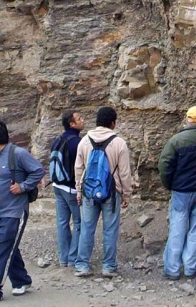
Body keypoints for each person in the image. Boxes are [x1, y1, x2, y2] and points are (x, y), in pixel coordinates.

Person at [0, 120, 44, 304]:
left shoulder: (17, 153)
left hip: (14, 211)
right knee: (7, 248)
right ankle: (21, 280)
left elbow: (38, 170)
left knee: (3, 249)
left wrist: (23, 186)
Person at [73, 106, 132, 278]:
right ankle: (108, 266)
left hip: (89, 191)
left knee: (87, 228)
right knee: (110, 229)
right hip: (112, 193)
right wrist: (126, 194)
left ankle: (82, 265)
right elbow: (124, 173)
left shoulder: (84, 141)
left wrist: (79, 191)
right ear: (113, 123)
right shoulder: (119, 143)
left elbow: (78, 168)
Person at [158, 106, 196, 281]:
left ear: (187, 120)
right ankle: (190, 267)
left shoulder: (176, 141)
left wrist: (169, 184)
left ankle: (172, 269)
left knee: (177, 228)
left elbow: (164, 166)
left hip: (181, 190)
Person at [50, 110, 85, 267]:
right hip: (71, 188)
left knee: (62, 222)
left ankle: (64, 258)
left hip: (57, 185)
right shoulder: (77, 143)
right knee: (79, 222)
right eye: (79, 119)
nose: (82, 120)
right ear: (72, 124)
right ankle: (73, 258)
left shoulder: (57, 140)